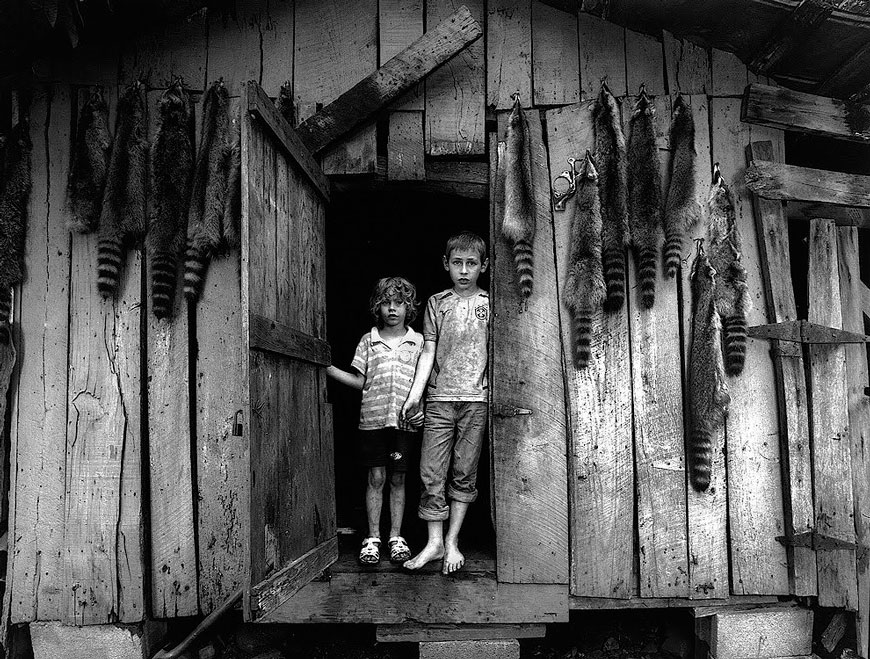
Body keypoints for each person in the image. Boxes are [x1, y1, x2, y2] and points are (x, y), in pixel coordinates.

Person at [400, 231, 489, 575]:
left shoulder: (490, 304)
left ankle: (452, 541)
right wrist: (415, 396)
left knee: (464, 471)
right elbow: (428, 350)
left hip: (476, 400)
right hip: (439, 399)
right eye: (457, 263)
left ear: (483, 266)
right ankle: (434, 543)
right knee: (431, 471)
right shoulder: (438, 303)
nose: (464, 270)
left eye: (471, 264)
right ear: (446, 265)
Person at [327, 276, 425, 565]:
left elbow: (425, 382)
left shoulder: (418, 342)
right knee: (376, 477)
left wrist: (421, 410)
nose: (392, 309)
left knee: (398, 478)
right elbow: (360, 381)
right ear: (377, 307)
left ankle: (396, 536)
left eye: (399, 303)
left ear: (409, 308)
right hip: (372, 421)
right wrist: (327, 369)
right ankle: (372, 538)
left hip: (404, 424)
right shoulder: (368, 340)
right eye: (386, 303)